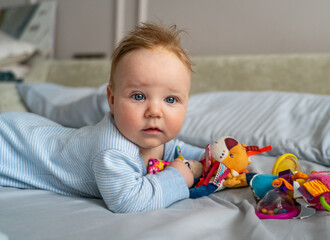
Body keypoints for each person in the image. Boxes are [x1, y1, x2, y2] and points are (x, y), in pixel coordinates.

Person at [0, 23, 204, 213]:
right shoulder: (111, 149)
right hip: (10, 144)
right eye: (139, 96)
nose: (154, 111)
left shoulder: (153, 139)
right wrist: (178, 176)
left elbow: (177, 151)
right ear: (112, 100)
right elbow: (129, 200)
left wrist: (214, 156)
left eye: (170, 99)